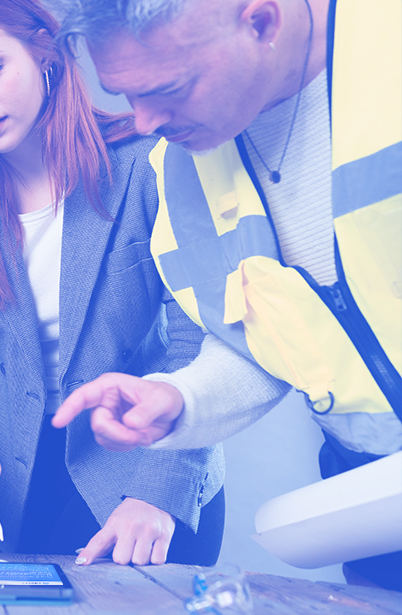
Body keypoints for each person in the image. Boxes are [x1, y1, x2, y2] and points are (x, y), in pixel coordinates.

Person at [50, 0, 400, 589]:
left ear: (260, 21)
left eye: (168, 89)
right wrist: (179, 397)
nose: (142, 122)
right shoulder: (179, 168)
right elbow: (260, 343)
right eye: (125, 95)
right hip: (375, 504)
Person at [0, 0, 224, 566]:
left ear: (45, 53)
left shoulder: (150, 163)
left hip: (151, 462)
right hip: (12, 480)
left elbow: (200, 343)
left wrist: (155, 491)